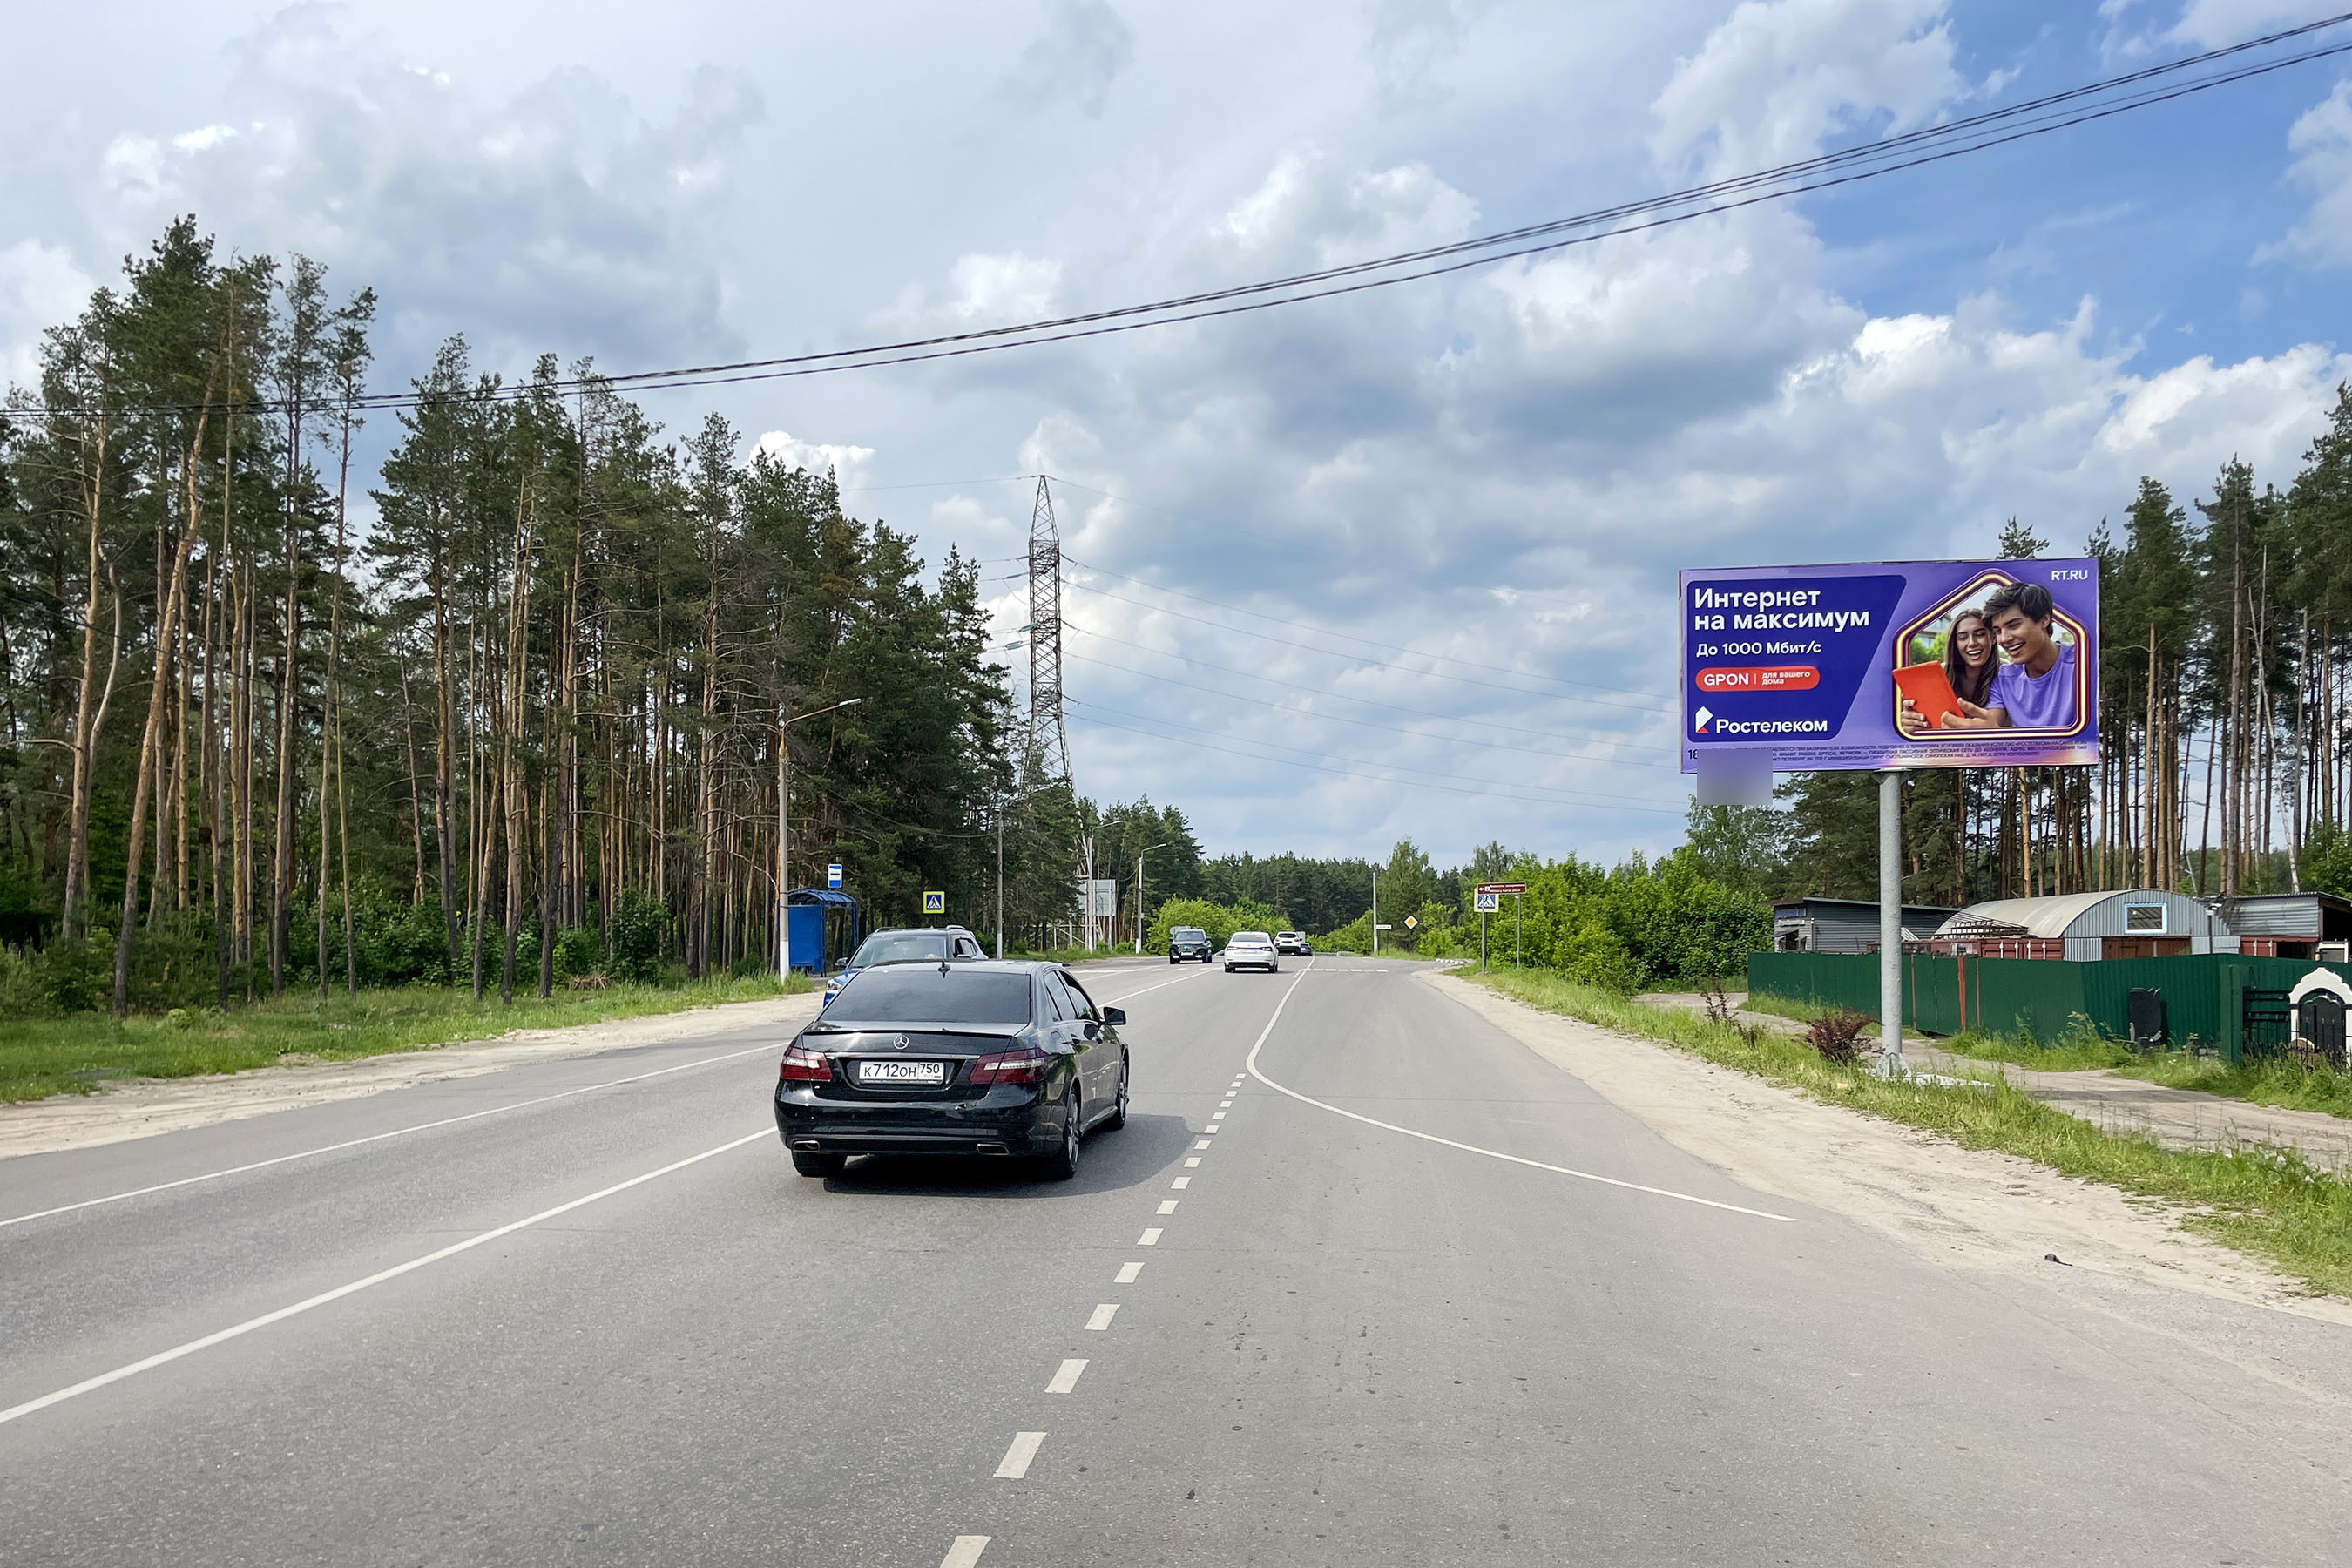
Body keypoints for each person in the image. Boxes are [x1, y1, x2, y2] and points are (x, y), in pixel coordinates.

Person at [1947, 581, 2076, 731]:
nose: (2004, 639)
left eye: (2013, 625)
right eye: (1998, 631)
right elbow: (1991, 724)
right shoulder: (2004, 678)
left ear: (2044, 620)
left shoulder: (2082, 662)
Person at [1898, 607, 1996, 735]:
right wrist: (1909, 724)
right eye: (1962, 638)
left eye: (1980, 634)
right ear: (1955, 644)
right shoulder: (1937, 676)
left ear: (1993, 638)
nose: (1972, 643)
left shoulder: (2007, 674)